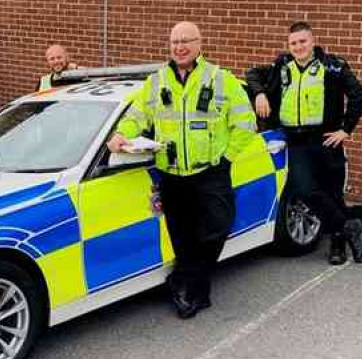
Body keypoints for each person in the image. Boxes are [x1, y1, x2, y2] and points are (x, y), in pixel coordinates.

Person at [107, 21, 257, 319]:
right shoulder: (156, 81)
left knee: (216, 229)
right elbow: (136, 117)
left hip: (210, 173)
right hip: (171, 174)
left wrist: (226, 158)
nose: (180, 46)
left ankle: (181, 280)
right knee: (182, 235)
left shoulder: (220, 79)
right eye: (175, 41)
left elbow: (246, 123)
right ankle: (196, 294)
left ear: (200, 43)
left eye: (186, 40)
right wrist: (122, 134)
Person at [246, 21, 362, 265]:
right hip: (297, 141)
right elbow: (252, 74)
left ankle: (338, 244)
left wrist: (345, 129)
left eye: (303, 41)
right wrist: (260, 93)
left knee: (332, 192)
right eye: (293, 43)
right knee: (304, 188)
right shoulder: (282, 65)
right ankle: (348, 226)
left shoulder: (333, 66)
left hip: (326, 139)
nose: (298, 47)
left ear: (312, 41)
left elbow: (360, 97)